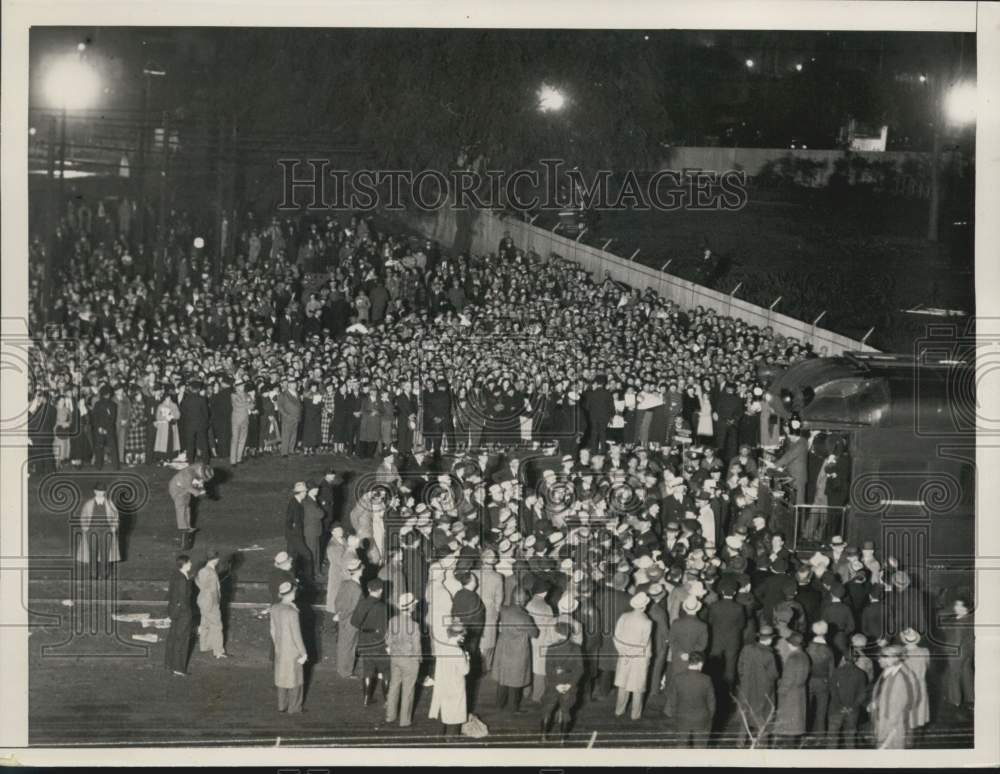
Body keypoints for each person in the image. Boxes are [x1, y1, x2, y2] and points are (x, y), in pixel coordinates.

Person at [493, 588, 537, 715]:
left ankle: (499, 704)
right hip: (518, 651)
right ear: (523, 600)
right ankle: (513, 708)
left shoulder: (504, 610)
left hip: (503, 648)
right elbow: (535, 634)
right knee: (516, 680)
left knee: (503, 677)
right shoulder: (525, 617)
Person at [540, 621, 584, 743]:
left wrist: (557, 685)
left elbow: (548, 670)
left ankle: (543, 736)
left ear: (557, 634)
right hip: (570, 684)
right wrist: (570, 684)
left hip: (554, 683)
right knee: (566, 711)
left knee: (547, 710)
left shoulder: (552, 648)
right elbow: (580, 669)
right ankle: (562, 740)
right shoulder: (576, 648)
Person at [735, 625, 779, 747]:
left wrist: (745, 680)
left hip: (746, 689)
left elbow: (740, 668)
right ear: (770, 639)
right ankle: (762, 745)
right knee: (762, 719)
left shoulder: (746, 649)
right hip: (762, 691)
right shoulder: (769, 655)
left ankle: (739, 743)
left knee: (745, 716)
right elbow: (774, 675)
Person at [869, 644, 919, 749]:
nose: (879, 660)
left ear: (895, 658)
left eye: (883, 657)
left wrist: (886, 734)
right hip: (886, 719)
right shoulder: (889, 672)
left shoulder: (900, 678)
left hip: (892, 725)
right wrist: (876, 703)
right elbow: (884, 693)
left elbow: (896, 708)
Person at [269, 581, 308, 714]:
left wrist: (277, 645)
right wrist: (303, 653)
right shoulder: (292, 612)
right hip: (293, 651)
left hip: (280, 649)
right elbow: (297, 635)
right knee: (295, 680)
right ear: (291, 593)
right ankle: (295, 708)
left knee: (282, 678)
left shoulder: (274, 608)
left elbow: (272, 630)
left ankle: (282, 706)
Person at [385, 592, 423, 727]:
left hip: (395, 658)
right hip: (409, 660)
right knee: (408, 690)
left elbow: (388, 640)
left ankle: (390, 716)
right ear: (411, 607)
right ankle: (404, 721)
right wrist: (419, 660)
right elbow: (417, 646)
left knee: (394, 686)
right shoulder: (414, 625)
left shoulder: (392, 621)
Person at [614, 591, 653, 721]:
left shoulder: (624, 616)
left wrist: (623, 652)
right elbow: (643, 643)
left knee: (622, 684)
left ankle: (619, 710)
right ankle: (635, 714)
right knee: (637, 687)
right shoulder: (647, 622)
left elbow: (616, 637)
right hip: (639, 658)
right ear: (645, 606)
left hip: (624, 655)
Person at [664, 651, 716, 747]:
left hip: (682, 717)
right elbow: (712, 703)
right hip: (701, 719)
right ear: (700, 663)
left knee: (681, 746)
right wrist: (709, 717)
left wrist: (676, 714)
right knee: (700, 748)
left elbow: (672, 700)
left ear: (688, 662)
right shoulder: (706, 679)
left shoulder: (678, 678)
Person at [351, 577, 390, 706]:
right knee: (385, 670)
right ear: (381, 590)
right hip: (378, 642)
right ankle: (388, 700)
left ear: (368, 589)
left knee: (368, 669)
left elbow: (354, 622)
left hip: (364, 640)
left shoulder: (362, 603)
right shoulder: (383, 607)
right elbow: (385, 628)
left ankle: (366, 699)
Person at [429, 623, 470, 739]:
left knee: (444, 709)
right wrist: (467, 659)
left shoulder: (442, 647)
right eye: (463, 635)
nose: (464, 637)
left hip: (443, 683)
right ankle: (451, 737)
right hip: (455, 685)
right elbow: (465, 671)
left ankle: (440, 735)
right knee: (455, 712)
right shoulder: (458, 651)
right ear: (458, 635)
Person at [74, 482, 121, 580]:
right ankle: (93, 574)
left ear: (105, 492)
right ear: (94, 491)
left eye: (102, 491)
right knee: (92, 552)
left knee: (105, 553)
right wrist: (85, 527)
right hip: (92, 531)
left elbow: (116, 517)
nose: (100, 493)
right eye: (98, 491)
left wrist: (113, 527)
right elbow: (83, 516)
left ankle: (104, 574)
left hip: (106, 531)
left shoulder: (110, 503)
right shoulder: (89, 504)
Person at [827, 640, 868, 748]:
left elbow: (833, 691)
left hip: (836, 709)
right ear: (856, 659)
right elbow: (862, 694)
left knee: (832, 737)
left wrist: (840, 706)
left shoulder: (836, 672)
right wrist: (852, 707)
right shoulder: (861, 674)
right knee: (850, 739)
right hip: (852, 711)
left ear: (844, 658)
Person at [772, 631, 809, 748]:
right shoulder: (805, 656)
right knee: (796, 721)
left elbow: (788, 679)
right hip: (800, 692)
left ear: (791, 644)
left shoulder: (792, 658)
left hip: (790, 694)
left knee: (788, 723)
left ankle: (786, 748)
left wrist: (780, 691)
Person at [168, 462, 212, 551]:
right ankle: (183, 528)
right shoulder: (188, 473)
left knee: (187, 507)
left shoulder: (199, 471)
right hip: (177, 488)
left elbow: (199, 484)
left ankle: (187, 526)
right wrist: (198, 493)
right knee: (181, 507)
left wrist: (202, 491)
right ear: (201, 472)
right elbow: (188, 486)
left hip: (185, 489)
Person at [165, 554, 195, 676]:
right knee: (182, 639)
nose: (191, 564)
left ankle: (169, 664)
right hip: (183, 613)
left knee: (172, 637)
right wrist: (188, 613)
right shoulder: (183, 580)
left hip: (173, 611)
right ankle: (178, 668)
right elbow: (183, 599)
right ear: (185, 564)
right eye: (190, 562)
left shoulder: (176, 575)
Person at [334, 558, 364, 679]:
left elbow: (337, 600)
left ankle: (341, 668)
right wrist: (342, 616)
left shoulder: (344, 583)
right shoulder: (357, 588)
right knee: (350, 646)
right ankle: (346, 671)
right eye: (361, 568)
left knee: (343, 644)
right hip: (351, 620)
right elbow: (353, 607)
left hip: (344, 619)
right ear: (358, 571)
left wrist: (338, 614)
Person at [899, 627, 930, 742]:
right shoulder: (925, 651)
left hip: (906, 686)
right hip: (921, 685)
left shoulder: (900, 653)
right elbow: (928, 666)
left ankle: (909, 740)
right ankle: (919, 738)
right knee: (920, 710)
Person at [805, 620, 835, 739]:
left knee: (805, 708)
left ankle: (803, 733)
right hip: (823, 682)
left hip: (808, 681)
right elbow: (831, 671)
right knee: (821, 712)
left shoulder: (807, 647)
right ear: (826, 632)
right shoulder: (829, 650)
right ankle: (820, 736)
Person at [196, 550, 227, 659]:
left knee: (205, 623)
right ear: (215, 560)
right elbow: (210, 590)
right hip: (210, 602)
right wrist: (214, 604)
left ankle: (205, 645)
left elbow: (197, 581)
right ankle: (218, 651)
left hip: (204, 601)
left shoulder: (204, 570)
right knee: (217, 625)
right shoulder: (208, 572)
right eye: (218, 559)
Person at [302, 482, 325, 585]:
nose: (317, 491)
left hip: (313, 530)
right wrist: (321, 509)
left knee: (315, 551)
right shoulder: (309, 503)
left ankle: (316, 571)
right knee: (313, 552)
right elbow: (320, 514)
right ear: (310, 490)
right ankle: (313, 573)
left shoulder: (311, 500)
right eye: (315, 489)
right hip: (311, 531)